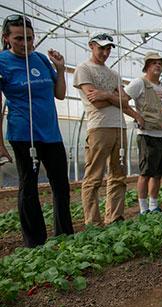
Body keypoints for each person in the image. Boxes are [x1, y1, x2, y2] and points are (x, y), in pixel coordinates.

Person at [0, 15, 74, 247]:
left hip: (51, 133)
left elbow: (60, 94)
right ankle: (35, 242)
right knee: (29, 187)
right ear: (7, 38)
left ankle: (64, 236)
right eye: (19, 38)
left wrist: (60, 70)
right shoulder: (2, 62)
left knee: (61, 186)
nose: (25, 43)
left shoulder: (40, 59)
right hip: (23, 134)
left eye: (29, 38)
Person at [73, 32, 137, 226]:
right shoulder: (83, 69)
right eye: (101, 48)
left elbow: (126, 100)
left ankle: (114, 217)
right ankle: (93, 222)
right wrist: (113, 97)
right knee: (94, 176)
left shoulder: (113, 74)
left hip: (119, 126)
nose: (105, 52)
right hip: (99, 127)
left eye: (108, 48)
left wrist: (106, 95)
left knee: (119, 175)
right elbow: (95, 102)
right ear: (91, 45)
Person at [124, 52, 162, 214]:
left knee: (157, 174)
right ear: (147, 67)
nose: (157, 65)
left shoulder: (161, 86)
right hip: (148, 135)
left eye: (160, 63)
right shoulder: (140, 83)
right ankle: (143, 208)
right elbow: (122, 99)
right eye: (153, 63)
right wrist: (136, 116)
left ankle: (153, 205)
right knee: (146, 173)